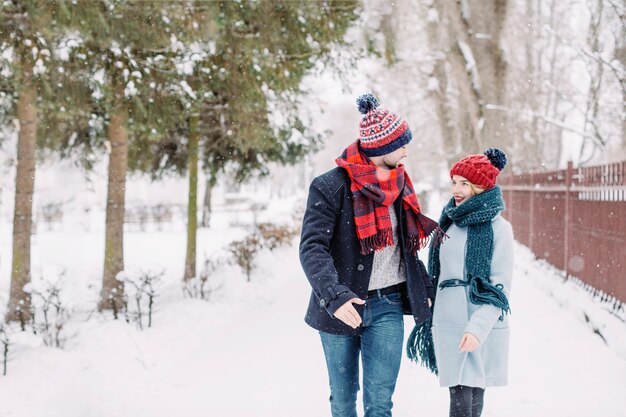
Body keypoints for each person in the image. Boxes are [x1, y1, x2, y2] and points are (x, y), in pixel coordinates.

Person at [299, 93, 441, 417]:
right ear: (380, 148)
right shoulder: (330, 186)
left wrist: (426, 290)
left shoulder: (400, 184)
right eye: (401, 144)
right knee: (343, 400)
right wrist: (334, 296)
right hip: (340, 308)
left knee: (380, 404)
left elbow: (407, 250)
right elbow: (311, 247)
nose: (406, 150)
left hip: (388, 305)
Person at [408, 148, 514, 417]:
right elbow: (439, 270)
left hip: (480, 322)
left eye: (464, 183)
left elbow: (500, 287)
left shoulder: (499, 229)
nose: (456, 189)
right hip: (448, 320)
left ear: (480, 187)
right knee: (459, 399)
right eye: (454, 181)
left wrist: (477, 328)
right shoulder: (449, 222)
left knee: (473, 400)